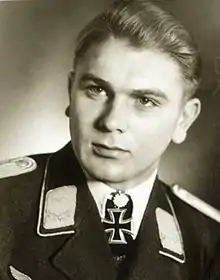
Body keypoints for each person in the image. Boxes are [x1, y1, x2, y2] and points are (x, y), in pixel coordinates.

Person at [0, 0, 219, 279]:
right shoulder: (4, 204)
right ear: (71, 92)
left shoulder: (208, 241)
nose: (112, 122)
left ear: (184, 119)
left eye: (145, 100)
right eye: (97, 89)